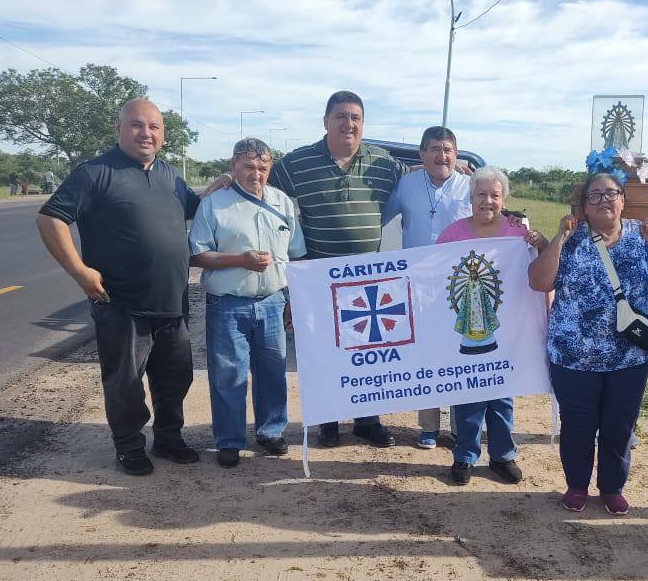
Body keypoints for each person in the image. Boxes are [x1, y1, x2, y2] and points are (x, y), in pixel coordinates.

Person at [37, 98, 220, 475]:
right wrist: (79, 271)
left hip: (172, 301)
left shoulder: (169, 174)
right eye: (137, 125)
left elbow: (193, 209)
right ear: (119, 129)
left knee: (175, 377)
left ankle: (169, 438)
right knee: (125, 383)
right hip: (121, 302)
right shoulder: (95, 172)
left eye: (154, 127)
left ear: (163, 135)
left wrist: (217, 191)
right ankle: (129, 446)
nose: (146, 133)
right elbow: (50, 218)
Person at [528, 172, 648, 516]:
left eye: (612, 193)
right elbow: (538, 281)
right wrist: (560, 238)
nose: (605, 201)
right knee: (578, 425)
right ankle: (577, 485)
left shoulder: (643, 236)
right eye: (595, 196)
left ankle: (612, 487)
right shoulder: (571, 238)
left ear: (623, 200)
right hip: (573, 355)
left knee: (619, 424)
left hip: (629, 355)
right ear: (583, 206)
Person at [268, 91, 405, 449]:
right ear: (326, 121)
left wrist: (452, 170)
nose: (349, 123)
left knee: (367, 353)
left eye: (356, 117)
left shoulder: (383, 163)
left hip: (367, 282)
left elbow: (416, 181)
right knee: (323, 353)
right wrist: (225, 181)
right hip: (319, 281)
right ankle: (327, 421)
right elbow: (259, 185)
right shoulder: (297, 164)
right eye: (342, 116)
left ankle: (367, 419)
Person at [189, 138, 306, 467]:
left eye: (263, 167)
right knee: (228, 375)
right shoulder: (214, 204)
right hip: (228, 305)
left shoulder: (283, 202)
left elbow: (295, 255)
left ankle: (271, 431)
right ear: (234, 166)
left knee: (273, 372)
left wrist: (291, 300)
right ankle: (228, 440)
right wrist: (239, 259)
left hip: (271, 301)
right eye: (249, 167)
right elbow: (197, 254)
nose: (256, 173)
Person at [436, 166, 546, 485]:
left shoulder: (517, 233)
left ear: (504, 198)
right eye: (481, 194)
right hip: (465, 328)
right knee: (467, 391)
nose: (487, 201)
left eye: (494, 195)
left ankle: (502, 455)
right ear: (470, 198)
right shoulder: (452, 235)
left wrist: (539, 241)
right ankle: (465, 455)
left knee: (502, 394)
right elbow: (431, 275)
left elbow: (541, 266)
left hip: (507, 331)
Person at [381, 125, 472, 449]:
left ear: (456, 154)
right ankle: (429, 427)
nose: (441, 155)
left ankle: (464, 426)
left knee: (462, 353)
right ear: (422, 154)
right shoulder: (406, 184)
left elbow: (491, 224)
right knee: (429, 357)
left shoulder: (470, 187)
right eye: (434, 149)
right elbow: (378, 217)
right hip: (417, 286)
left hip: (461, 286)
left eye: (447, 149)